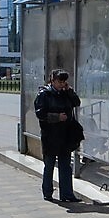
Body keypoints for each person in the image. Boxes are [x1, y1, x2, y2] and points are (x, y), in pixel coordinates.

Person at [34, 69, 82, 203]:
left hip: (65, 135)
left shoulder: (65, 93)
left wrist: (70, 91)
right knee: (49, 165)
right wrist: (57, 117)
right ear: (52, 80)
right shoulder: (44, 94)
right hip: (50, 136)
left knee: (65, 166)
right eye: (59, 82)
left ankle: (67, 194)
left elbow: (76, 103)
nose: (62, 84)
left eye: (64, 82)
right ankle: (47, 193)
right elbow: (40, 113)